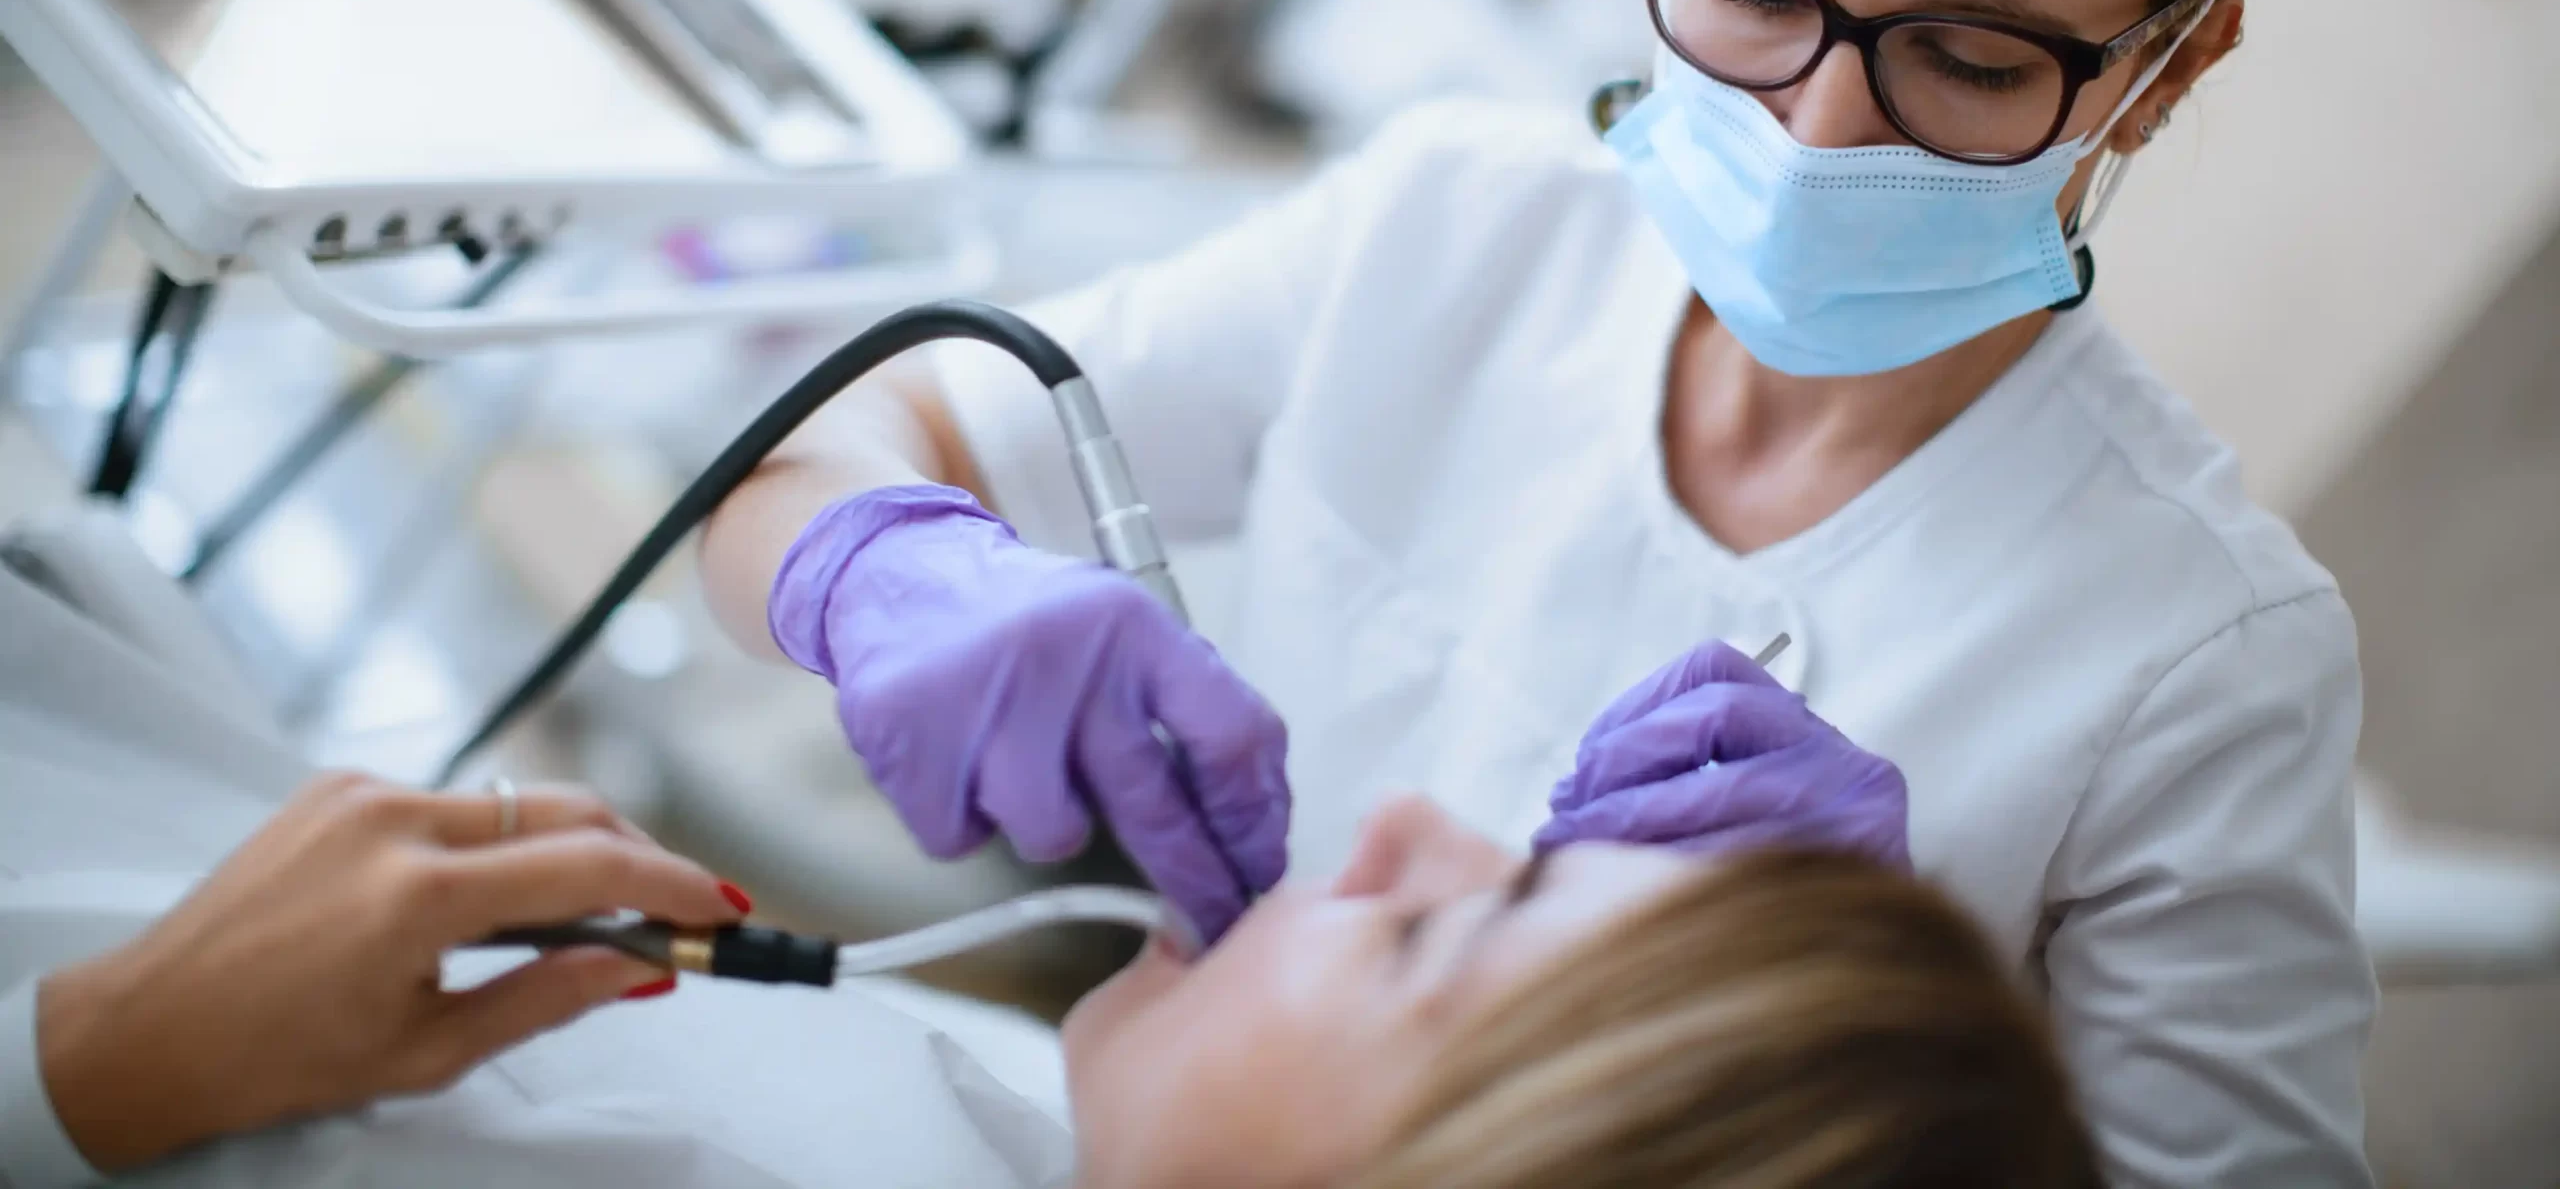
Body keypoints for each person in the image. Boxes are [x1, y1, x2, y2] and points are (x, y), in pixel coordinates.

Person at [698, 0, 2374, 1182]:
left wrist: (1855, 1038)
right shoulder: (1460, 228)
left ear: (2166, 71)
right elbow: (829, 440)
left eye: (1974, 62)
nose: (1813, 130)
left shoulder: (2202, 666)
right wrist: (879, 564)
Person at [0, 554, 2097, 1187]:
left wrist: (94, 1065)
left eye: (1454, 925)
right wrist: (858, 548)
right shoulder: (1024, 1124)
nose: (1389, 822)